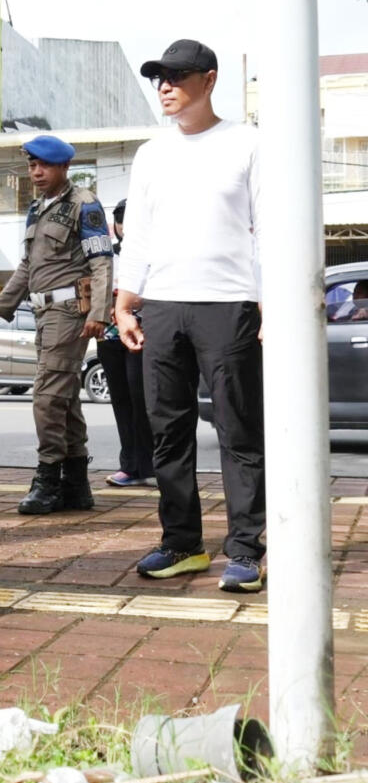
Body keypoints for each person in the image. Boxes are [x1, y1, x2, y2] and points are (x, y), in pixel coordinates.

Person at [115, 38, 264, 593]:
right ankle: (182, 543)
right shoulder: (151, 153)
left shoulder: (248, 143)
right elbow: (141, 235)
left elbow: (267, 228)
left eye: (177, 76)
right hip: (164, 304)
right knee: (167, 431)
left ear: (210, 79)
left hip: (228, 304)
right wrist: (126, 299)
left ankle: (246, 549)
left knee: (239, 429)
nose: (165, 87)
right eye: (158, 78)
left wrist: (269, 303)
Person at [0, 135, 113, 515]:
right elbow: (27, 267)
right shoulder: (37, 209)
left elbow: (102, 260)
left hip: (69, 312)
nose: (36, 172)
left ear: (64, 167)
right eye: (31, 165)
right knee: (64, 396)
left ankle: (48, 479)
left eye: (44, 165)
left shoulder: (83, 204)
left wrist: (98, 313)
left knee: (46, 395)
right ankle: (77, 485)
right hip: (42, 314)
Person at [97, 199, 154, 487]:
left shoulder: (153, 253)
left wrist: (127, 303)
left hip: (142, 333)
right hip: (109, 334)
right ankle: (130, 465)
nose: (125, 227)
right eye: (121, 221)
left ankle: (151, 466)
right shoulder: (107, 255)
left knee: (142, 398)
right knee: (120, 399)